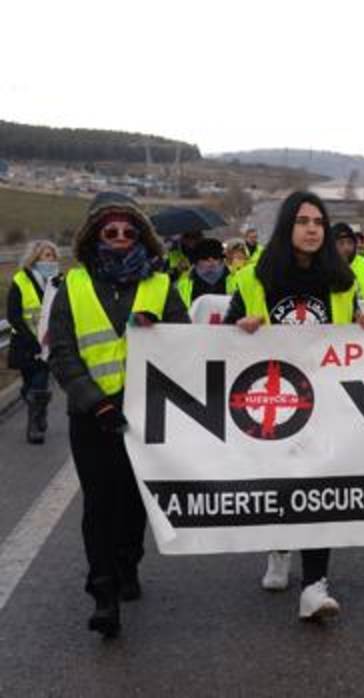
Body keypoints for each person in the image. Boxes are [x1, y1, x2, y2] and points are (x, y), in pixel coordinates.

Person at [225, 191, 364, 622]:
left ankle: (314, 585)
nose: (312, 229)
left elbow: (349, 335)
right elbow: (220, 341)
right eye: (303, 221)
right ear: (287, 227)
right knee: (281, 487)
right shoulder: (256, 278)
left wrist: (363, 325)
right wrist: (242, 329)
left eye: (319, 222)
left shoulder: (342, 279)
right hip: (276, 400)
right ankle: (279, 548)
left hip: (325, 400)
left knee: (319, 490)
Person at [47, 192, 189, 638]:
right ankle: (103, 592)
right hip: (93, 416)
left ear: (142, 236)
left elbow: (188, 345)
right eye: (111, 231)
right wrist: (95, 401)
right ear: (94, 236)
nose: (122, 238)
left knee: (132, 502)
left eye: (130, 231)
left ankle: (128, 564)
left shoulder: (160, 285)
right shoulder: (72, 286)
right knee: (99, 503)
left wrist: (161, 330)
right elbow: (63, 352)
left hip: (146, 415)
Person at [6, 239, 61, 443]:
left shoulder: (59, 281)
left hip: (48, 344)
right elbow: (14, 315)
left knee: (40, 383)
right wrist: (32, 340)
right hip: (25, 343)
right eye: (47, 256)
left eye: (54, 255)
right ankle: (37, 407)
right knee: (29, 385)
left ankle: (35, 427)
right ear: (35, 258)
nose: (52, 260)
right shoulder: (20, 280)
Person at [176, 238, 235, 307]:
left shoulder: (235, 276)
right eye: (205, 258)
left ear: (221, 259)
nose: (211, 261)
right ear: (197, 260)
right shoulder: (184, 283)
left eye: (215, 257)